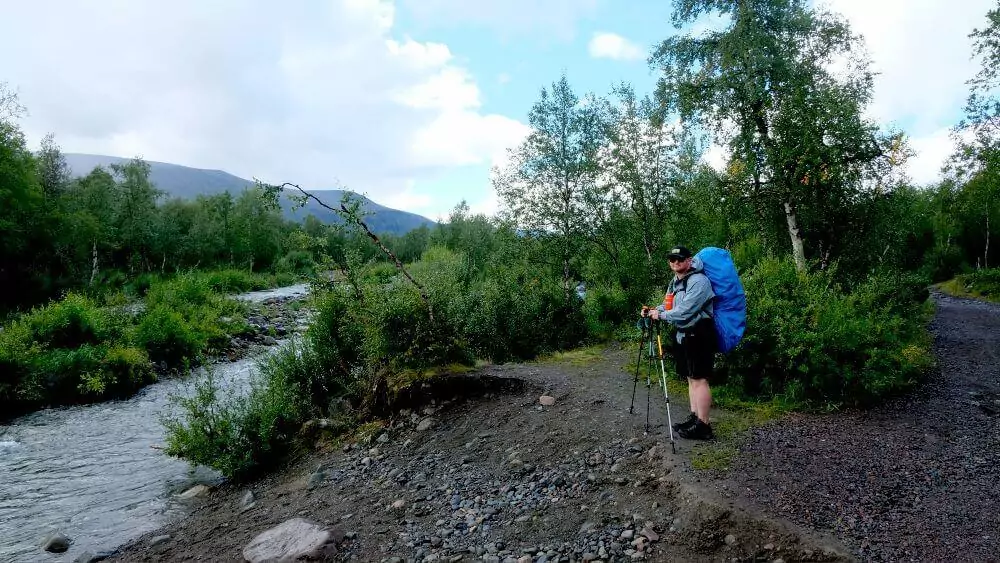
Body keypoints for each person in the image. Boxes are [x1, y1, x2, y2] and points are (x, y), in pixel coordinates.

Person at [646, 246, 717, 440]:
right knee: (690, 377)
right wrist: (654, 310)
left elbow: (686, 310)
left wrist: (660, 315)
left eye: (680, 259)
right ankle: (695, 419)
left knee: (699, 378)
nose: (675, 262)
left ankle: (704, 426)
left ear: (689, 260)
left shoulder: (699, 281)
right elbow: (669, 305)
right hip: (684, 334)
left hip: (699, 333)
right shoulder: (675, 282)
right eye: (672, 259)